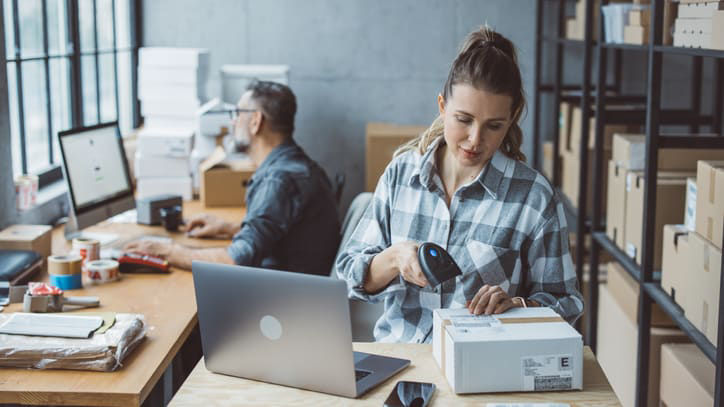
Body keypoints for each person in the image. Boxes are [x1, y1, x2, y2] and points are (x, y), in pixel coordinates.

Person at [336, 27, 583, 344]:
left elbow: (567, 304)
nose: (475, 140)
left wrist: (519, 306)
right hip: (401, 361)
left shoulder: (533, 197)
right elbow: (349, 277)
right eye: (463, 120)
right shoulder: (400, 175)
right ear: (442, 106)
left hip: (480, 369)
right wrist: (395, 259)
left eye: (494, 126)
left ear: (512, 118)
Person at [125, 81, 341, 276]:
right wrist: (228, 228)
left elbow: (235, 261)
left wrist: (167, 250)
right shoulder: (298, 166)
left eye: (238, 113)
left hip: (280, 302)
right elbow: (286, 233)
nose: (233, 122)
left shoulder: (279, 180)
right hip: (298, 287)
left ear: (256, 121)